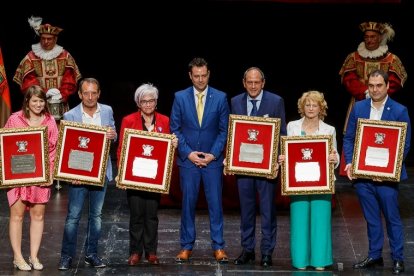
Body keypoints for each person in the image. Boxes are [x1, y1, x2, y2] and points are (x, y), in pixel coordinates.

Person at [343, 69, 411, 275]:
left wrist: (389, 169)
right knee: (371, 218)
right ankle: (375, 256)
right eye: (371, 86)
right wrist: (350, 163)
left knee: (392, 218)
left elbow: (404, 144)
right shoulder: (360, 107)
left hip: (386, 177)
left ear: (387, 86)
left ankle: (398, 258)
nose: (374, 89)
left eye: (379, 85)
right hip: (363, 176)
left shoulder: (399, 110)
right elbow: (349, 138)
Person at [170, 57, 230, 263]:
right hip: (188, 162)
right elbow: (175, 129)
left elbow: (224, 130)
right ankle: (186, 247)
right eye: (196, 76)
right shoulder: (180, 97)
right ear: (190, 76)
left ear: (209, 74)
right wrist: (189, 153)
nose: (201, 79)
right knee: (188, 204)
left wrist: (213, 154)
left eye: (204, 75)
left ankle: (219, 246)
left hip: (212, 162)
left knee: (215, 205)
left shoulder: (221, 98)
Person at [58, 77, 117, 270]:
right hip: (78, 174)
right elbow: (65, 147)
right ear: (80, 94)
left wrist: (113, 135)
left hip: (99, 173)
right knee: (73, 216)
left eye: (94, 93)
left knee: (96, 216)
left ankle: (91, 254)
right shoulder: (70, 116)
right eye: (86, 93)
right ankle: (66, 256)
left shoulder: (107, 110)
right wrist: (69, 173)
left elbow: (113, 133)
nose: (90, 97)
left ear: (98, 93)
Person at [229, 67, 286, 267]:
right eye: (249, 82)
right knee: (246, 210)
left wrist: (279, 159)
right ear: (244, 83)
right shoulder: (235, 101)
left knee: (268, 210)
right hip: (243, 167)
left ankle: (267, 252)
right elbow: (233, 133)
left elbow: (282, 133)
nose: (253, 86)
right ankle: (248, 250)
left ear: (263, 83)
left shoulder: (276, 101)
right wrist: (230, 156)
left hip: (267, 167)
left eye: (257, 82)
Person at [117, 83, 177, 266]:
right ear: (138, 103)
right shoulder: (128, 120)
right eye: (144, 101)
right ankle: (135, 252)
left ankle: (151, 252)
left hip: (154, 177)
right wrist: (122, 174)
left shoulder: (165, 121)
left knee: (151, 215)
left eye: (151, 100)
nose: (148, 104)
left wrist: (173, 143)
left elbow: (166, 151)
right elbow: (121, 149)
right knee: (136, 216)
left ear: (156, 102)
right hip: (134, 176)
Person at [278, 91, 339, 270]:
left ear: (321, 108)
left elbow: (335, 156)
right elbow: (288, 152)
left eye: (315, 105)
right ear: (302, 107)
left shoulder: (329, 130)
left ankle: (320, 261)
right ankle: (300, 261)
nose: (311, 108)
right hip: (298, 182)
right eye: (308, 105)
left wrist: (334, 160)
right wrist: (283, 159)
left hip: (322, 182)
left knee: (321, 221)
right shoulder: (292, 126)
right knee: (299, 220)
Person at [338, 21, 407, 175]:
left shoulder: (392, 59)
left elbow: (396, 81)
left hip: (383, 103)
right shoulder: (354, 57)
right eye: (366, 37)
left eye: (373, 37)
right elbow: (348, 79)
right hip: (359, 101)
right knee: (353, 133)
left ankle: (381, 167)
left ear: (380, 38)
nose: (369, 40)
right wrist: (365, 92)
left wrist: (378, 92)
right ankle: (353, 168)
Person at [4, 85, 58, 271]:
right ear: (27, 101)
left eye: (41, 101)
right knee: (17, 216)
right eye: (34, 100)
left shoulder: (50, 121)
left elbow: (54, 149)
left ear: (45, 102)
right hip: (18, 177)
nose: (38, 104)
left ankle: (34, 256)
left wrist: (49, 174)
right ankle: (18, 257)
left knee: (38, 216)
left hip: (41, 177)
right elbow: (5, 146)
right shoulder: (14, 119)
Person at [13, 16, 81, 122]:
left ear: (55, 39)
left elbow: (70, 79)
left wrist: (62, 94)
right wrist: (43, 94)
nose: (45, 41)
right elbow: (28, 82)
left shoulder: (66, 56)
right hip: (37, 106)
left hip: (60, 106)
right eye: (43, 38)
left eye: (49, 39)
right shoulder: (30, 57)